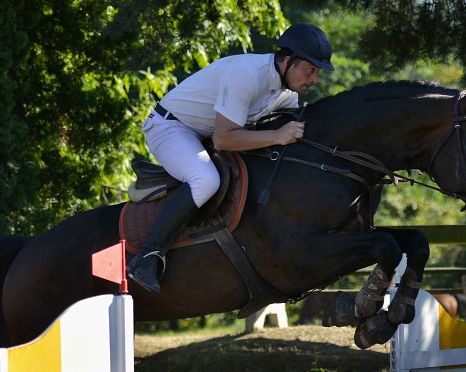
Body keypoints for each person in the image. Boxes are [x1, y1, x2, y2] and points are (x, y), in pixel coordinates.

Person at [127, 23, 334, 292]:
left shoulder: (284, 92)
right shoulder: (247, 75)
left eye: (317, 72)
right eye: (310, 70)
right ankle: (147, 257)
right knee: (205, 179)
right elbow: (224, 139)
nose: (315, 79)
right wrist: (277, 136)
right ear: (287, 61)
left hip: (202, 135)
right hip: (169, 127)